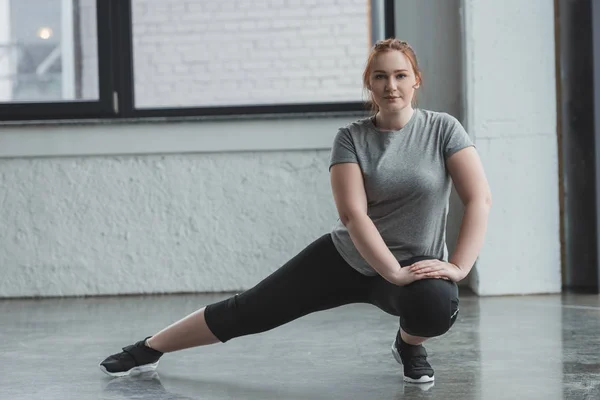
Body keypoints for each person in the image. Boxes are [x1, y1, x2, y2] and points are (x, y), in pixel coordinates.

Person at [99, 38, 492, 384]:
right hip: (347, 259)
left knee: (437, 304)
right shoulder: (352, 138)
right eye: (380, 77)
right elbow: (353, 215)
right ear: (368, 83)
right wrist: (391, 271)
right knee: (249, 310)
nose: (391, 86)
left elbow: (478, 198)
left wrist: (457, 267)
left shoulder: (443, 129)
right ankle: (149, 347)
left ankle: (409, 346)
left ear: (416, 80)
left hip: (416, 265)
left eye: (401, 75)